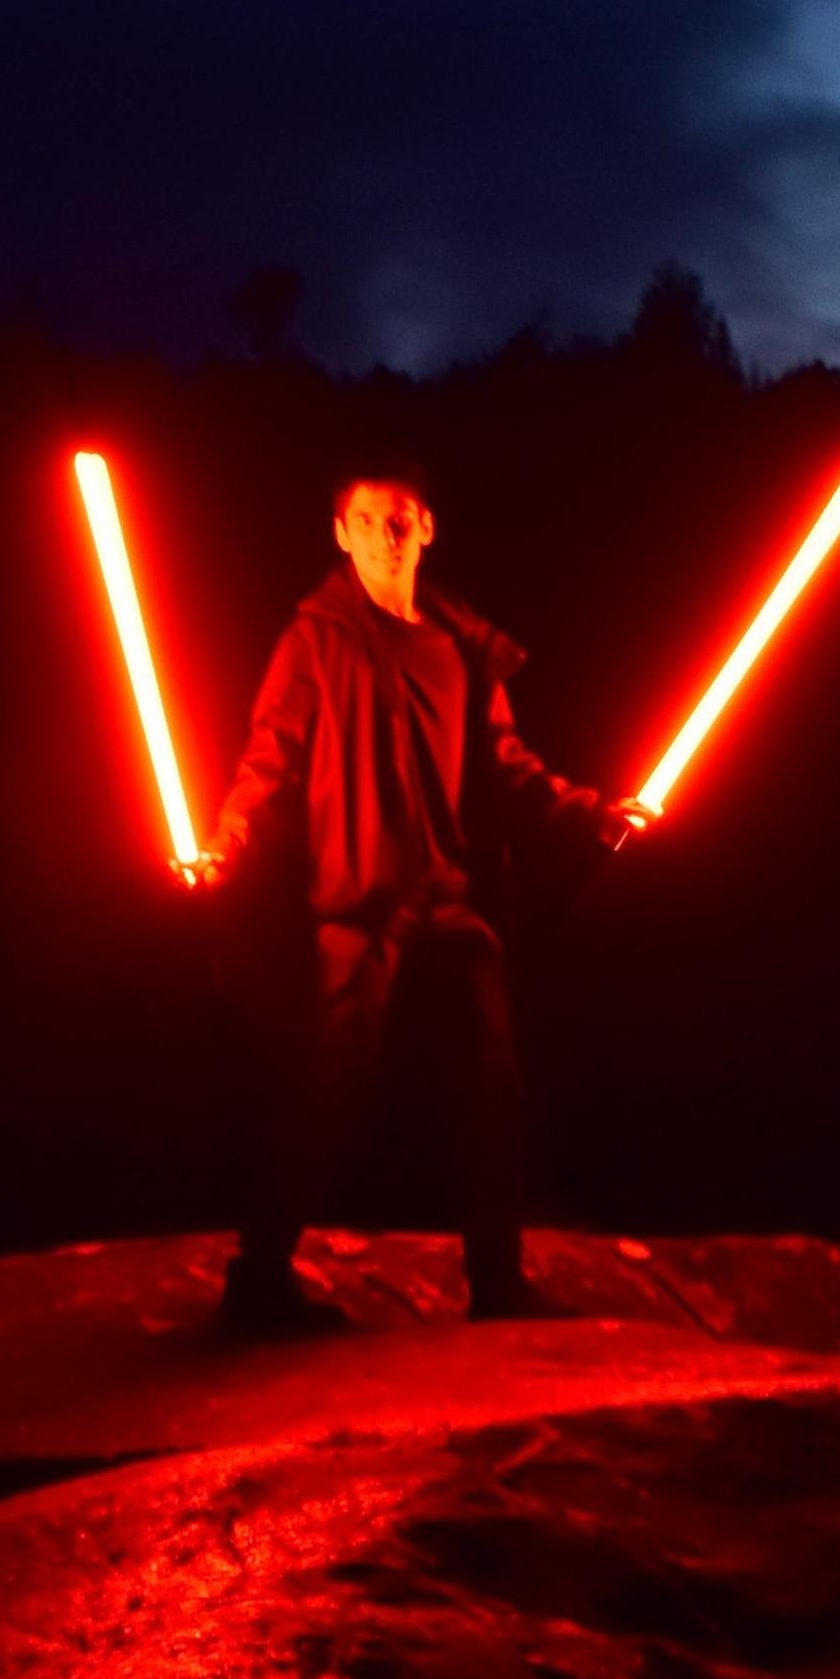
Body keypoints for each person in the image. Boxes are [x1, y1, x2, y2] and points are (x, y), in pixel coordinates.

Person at [181, 458, 648, 1329]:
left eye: (400, 518)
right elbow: (268, 756)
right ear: (340, 533)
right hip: (359, 900)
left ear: (427, 528)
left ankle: (497, 1286)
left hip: (451, 896)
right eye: (366, 520)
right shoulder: (314, 639)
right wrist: (227, 842)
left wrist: (589, 815)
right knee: (326, 1088)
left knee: (494, 1086)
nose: (384, 535)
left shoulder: (460, 646)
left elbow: (509, 768)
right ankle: (260, 1282)